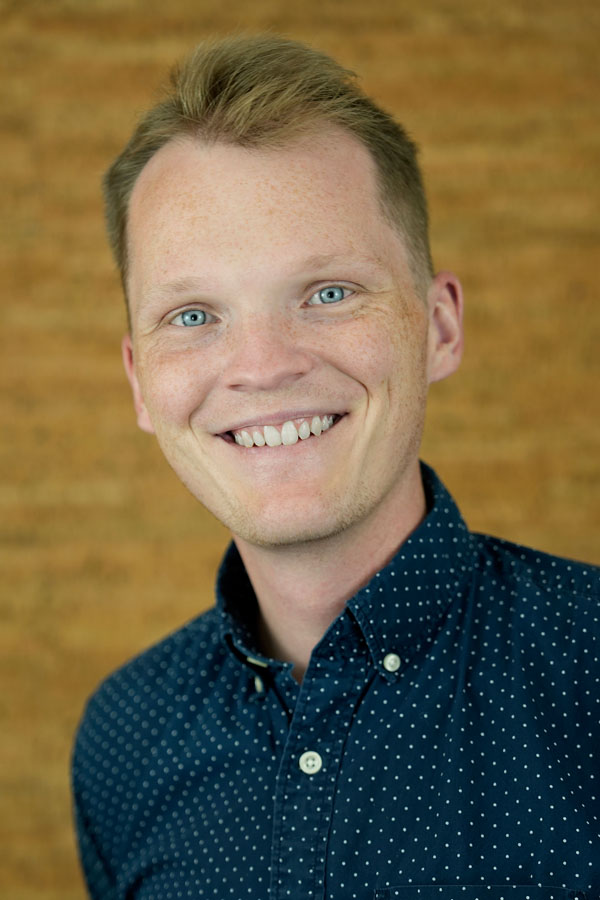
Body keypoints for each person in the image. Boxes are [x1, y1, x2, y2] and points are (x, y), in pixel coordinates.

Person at [72, 34, 600, 900]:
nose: (263, 366)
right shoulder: (123, 739)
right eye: (195, 314)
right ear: (140, 382)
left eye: (327, 293)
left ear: (438, 327)